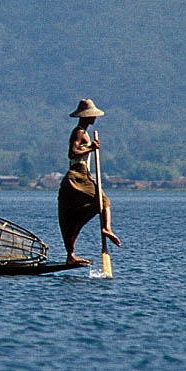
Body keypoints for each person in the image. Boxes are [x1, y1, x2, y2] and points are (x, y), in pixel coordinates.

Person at [58, 98, 121, 264]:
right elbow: (72, 153)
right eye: (92, 115)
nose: (95, 118)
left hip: (82, 174)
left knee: (77, 215)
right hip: (77, 175)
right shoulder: (78, 132)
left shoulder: (84, 133)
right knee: (104, 201)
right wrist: (91, 148)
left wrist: (90, 148)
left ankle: (70, 256)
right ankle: (106, 228)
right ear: (86, 117)